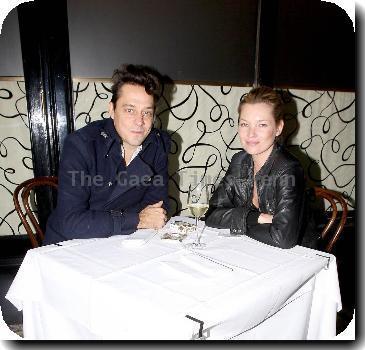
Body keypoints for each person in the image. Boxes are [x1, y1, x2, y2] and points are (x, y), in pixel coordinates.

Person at [44, 64, 170, 245]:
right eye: (129, 110)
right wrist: (137, 219)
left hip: (122, 241)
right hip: (71, 245)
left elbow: (156, 208)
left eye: (147, 113)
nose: (139, 121)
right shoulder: (81, 145)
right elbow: (71, 222)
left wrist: (136, 220)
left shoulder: (157, 145)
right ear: (112, 109)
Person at [205, 86, 319, 249]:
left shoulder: (289, 169)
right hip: (255, 249)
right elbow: (211, 215)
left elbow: (283, 238)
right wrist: (255, 218)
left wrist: (239, 223)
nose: (251, 134)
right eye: (244, 124)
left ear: (278, 128)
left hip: (295, 257)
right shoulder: (239, 161)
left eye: (262, 125)